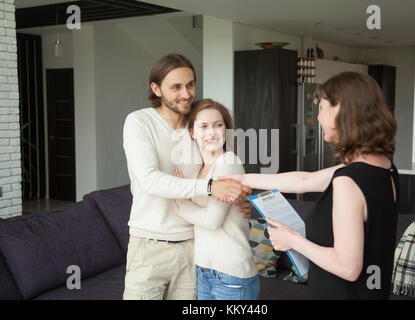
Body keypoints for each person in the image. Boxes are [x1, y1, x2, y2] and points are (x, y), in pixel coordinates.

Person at [220, 71, 399, 299]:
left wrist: (292, 240)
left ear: (341, 110)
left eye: (322, 108)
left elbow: (348, 267)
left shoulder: (348, 181)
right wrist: (243, 179)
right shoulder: (384, 167)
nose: (318, 117)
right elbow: (305, 181)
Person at [122, 54, 252, 300]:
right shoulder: (139, 122)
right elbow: (150, 180)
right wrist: (212, 187)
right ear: (156, 88)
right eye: (176, 87)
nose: (186, 93)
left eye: (190, 85)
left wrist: (239, 198)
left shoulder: (198, 126)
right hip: (149, 245)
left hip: (195, 246)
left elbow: (221, 170)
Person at [172, 98, 259, 300]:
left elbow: (212, 220)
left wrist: (181, 202)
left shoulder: (228, 162)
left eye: (218, 125)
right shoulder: (198, 170)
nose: (211, 132)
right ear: (192, 132)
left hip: (231, 275)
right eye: (203, 126)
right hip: (204, 272)